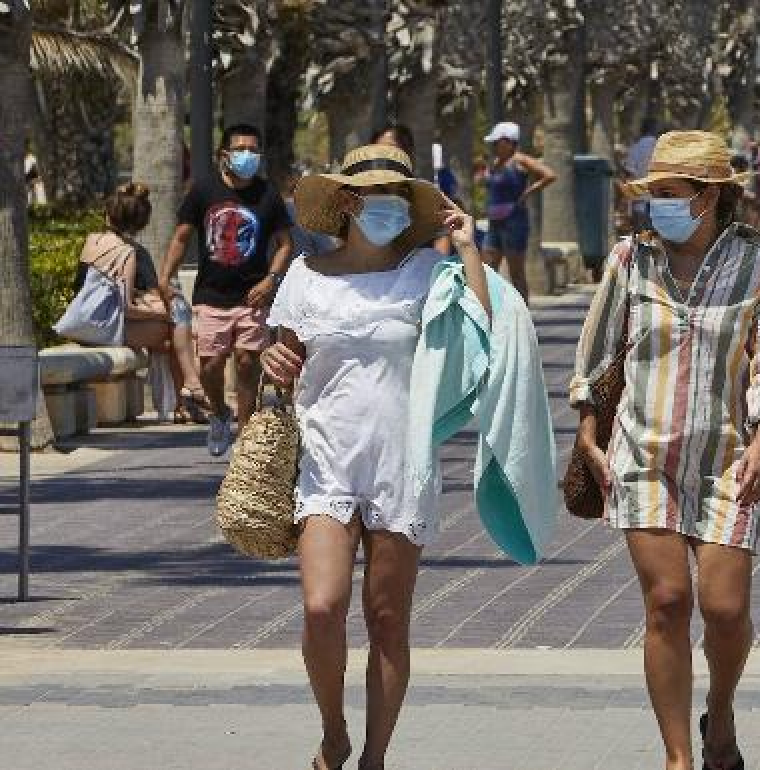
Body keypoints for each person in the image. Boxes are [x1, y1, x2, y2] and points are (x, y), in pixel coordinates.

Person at [570, 130, 760, 770]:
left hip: (729, 459)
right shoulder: (629, 259)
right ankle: (676, 756)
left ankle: (718, 712)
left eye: (671, 195)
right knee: (667, 601)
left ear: (711, 196)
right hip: (642, 452)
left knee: (726, 611)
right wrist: (588, 427)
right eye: (653, 195)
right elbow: (596, 350)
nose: (658, 207)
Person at [260, 144, 492, 770]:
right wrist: (271, 362)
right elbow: (283, 359)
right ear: (347, 200)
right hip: (326, 461)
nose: (384, 205)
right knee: (322, 606)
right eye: (372, 194)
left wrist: (467, 245)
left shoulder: (427, 272)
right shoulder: (307, 275)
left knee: (387, 618)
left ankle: (374, 758)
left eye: (397, 194)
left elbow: (480, 332)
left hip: (401, 462)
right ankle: (334, 729)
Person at [158, 123, 293, 456]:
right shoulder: (204, 191)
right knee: (210, 365)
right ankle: (219, 412)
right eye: (240, 149)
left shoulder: (268, 195)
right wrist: (165, 277)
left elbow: (285, 244)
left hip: (253, 295)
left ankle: (245, 434)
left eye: (253, 149)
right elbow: (181, 237)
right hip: (211, 295)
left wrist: (270, 280)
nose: (247, 155)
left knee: (248, 363)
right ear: (224, 155)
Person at [79, 183, 209, 423]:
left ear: (108, 214)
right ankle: (190, 390)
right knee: (179, 318)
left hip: (87, 322)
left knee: (178, 329)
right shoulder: (128, 253)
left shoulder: (91, 242)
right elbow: (126, 307)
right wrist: (163, 315)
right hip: (106, 327)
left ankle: (185, 399)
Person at [481, 121, 557, 302]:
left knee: (516, 272)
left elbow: (549, 175)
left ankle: (524, 318)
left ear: (508, 142)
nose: (493, 146)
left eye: (496, 142)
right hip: (494, 223)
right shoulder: (495, 163)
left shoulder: (520, 160)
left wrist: (529, 192)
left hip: (514, 221)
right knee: (487, 269)